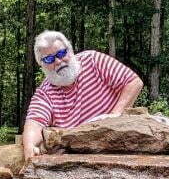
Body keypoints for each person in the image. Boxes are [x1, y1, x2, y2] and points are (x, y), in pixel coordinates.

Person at [22, 31, 144, 159]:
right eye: (49, 59)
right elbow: (34, 123)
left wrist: (113, 117)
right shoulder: (44, 94)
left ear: (70, 50)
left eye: (62, 53)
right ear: (42, 65)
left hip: (119, 140)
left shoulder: (94, 60)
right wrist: (29, 147)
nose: (58, 61)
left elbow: (133, 82)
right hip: (79, 154)